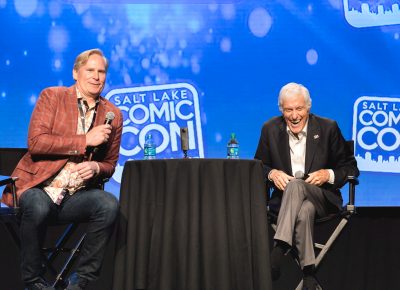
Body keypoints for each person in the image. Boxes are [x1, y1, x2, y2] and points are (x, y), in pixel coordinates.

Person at [2, 48, 123, 290]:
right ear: (76, 73)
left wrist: (96, 167)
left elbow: (110, 165)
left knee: (108, 204)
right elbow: (36, 143)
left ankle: (79, 284)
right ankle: (34, 283)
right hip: (39, 188)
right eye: (90, 70)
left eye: (101, 72)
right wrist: (84, 140)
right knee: (36, 205)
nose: (96, 77)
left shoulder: (113, 115)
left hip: (74, 196)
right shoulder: (53, 97)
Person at [254, 82, 359, 290]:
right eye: (288, 110)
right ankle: (308, 273)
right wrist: (273, 173)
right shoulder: (270, 129)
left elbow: (350, 168)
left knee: (297, 186)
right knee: (304, 208)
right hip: (286, 204)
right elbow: (259, 167)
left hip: (322, 197)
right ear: (281, 109)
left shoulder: (328, 128)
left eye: (299, 109)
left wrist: (327, 174)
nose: (294, 116)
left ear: (308, 107)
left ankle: (280, 247)